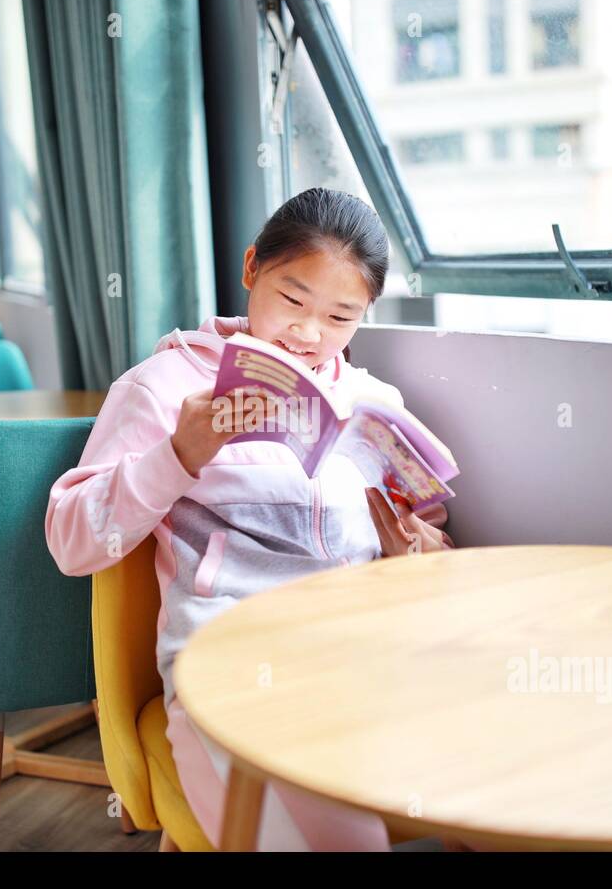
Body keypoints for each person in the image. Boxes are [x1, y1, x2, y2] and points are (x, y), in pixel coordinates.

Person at [45, 188, 453, 850]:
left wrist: (419, 550)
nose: (308, 334)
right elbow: (72, 542)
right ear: (251, 268)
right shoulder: (162, 386)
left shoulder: (374, 402)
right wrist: (179, 454)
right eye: (292, 300)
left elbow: (417, 531)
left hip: (362, 658)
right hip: (228, 671)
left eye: (341, 316)